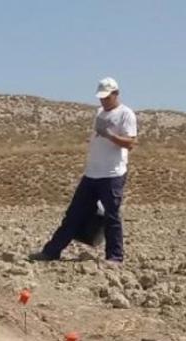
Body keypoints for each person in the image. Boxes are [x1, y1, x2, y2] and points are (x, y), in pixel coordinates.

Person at [33, 77, 138, 265]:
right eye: (101, 97)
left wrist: (110, 135)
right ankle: (51, 252)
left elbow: (131, 143)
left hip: (112, 174)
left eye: (107, 97)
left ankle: (115, 257)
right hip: (92, 173)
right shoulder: (99, 113)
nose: (103, 101)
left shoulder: (126, 114)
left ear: (116, 94)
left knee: (111, 216)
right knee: (74, 214)